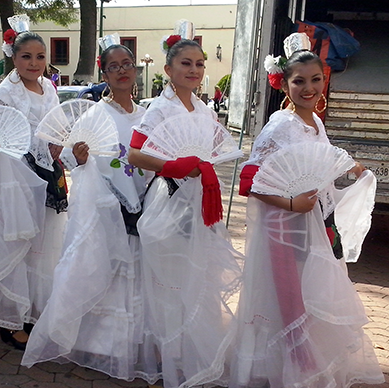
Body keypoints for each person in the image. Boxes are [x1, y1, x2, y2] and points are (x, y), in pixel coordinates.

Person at [231, 48, 383, 388]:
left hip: (313, 221)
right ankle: (297, 370)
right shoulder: (279, 127)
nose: (309, 88)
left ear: (324, 81)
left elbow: (322, 158)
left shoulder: (313, 121)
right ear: (284, 85)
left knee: (313, 292)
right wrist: (290, 203)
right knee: (290, 299)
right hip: (283, 226)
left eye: (316, 80)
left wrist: (352, 167)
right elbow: (250, 182)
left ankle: (304, 364)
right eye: (299, 81)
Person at [22, 40, 152, 381]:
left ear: (135, 69)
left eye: (128, 64)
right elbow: (66, 158)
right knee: (102, 264)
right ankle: (99, 341)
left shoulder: (146, 116)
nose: (122, 70)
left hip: (142, 197)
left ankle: (132, 339)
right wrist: (78, 159)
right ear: (105, 73)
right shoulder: (95, 113)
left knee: (135, 268)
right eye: (114, 66)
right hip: (103, 202)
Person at [127, 36, 243, 388]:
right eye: (186, 64)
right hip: (169, 197)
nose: (194, 70)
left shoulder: (204, 109)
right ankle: (164, 355)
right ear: (168, 70)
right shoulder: (159, 109)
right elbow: (135, 154)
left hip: (198, 201)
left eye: (199, 64)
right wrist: (174, 165)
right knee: (167, 279)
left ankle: (188, 348)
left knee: (196, 275)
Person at [0, 18, 68, 350]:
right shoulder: (4, 92)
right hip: (15, 176)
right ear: (14, 57)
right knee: (16, 242)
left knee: (45, 243)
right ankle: (11, 318)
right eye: (27, 56)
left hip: (47, 173)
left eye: (40, 56)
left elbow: (56, 126)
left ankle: (37, 311)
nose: (35, 63)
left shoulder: (50, 88)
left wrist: (58, 144)